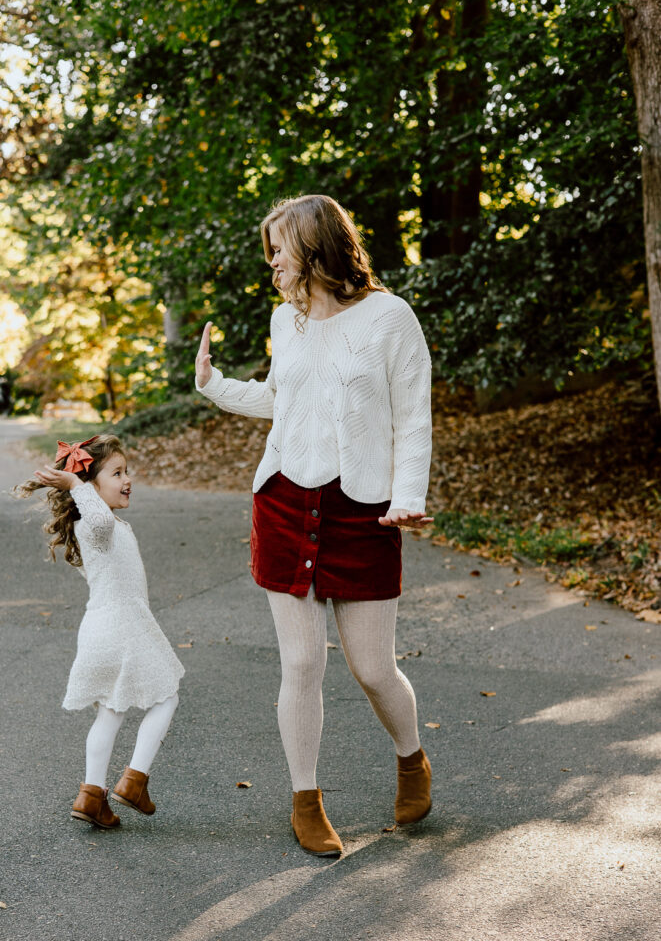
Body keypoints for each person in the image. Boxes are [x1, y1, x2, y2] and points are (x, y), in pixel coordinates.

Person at [195, 194, 433, 857]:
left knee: (372, 669)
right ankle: (305, 799)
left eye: (279, 248)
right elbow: (282, 400)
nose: (271, 262)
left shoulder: (390, 318)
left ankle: (411, 758)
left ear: (314, 246)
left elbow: (412, 417)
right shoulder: (285, 320)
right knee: (300, 663)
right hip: (283, 502)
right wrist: (214, 385)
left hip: (362, 510)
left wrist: (407, 495)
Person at [15, 434, 184, 829]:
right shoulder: (98, 526)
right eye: (118, 473)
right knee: (167, 696)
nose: (128, 479)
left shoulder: (95, 525)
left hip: (98, 629)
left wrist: (80, 490)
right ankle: (134, 780)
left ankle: (91, 796)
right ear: (90, 486)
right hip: (123, 627)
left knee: (109, 713)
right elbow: (100, 519)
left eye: (128, 472)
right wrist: (75, 486)